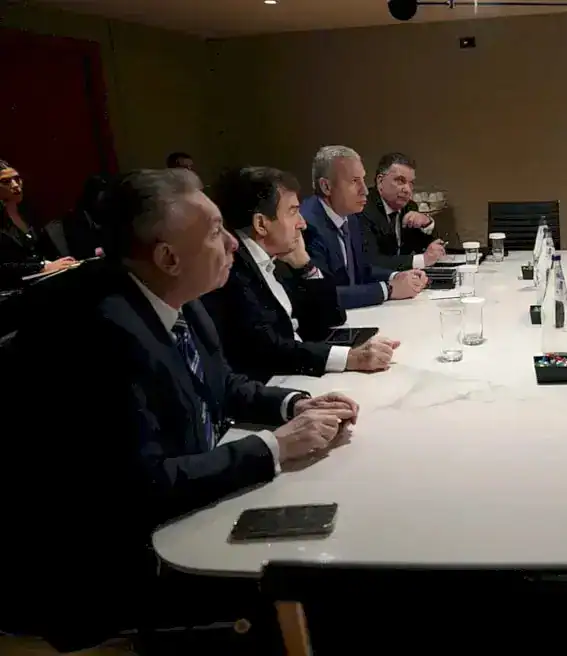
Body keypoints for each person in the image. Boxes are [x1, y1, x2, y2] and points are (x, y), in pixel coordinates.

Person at [0, 168, 361, 651]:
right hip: (114, 569)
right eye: (215, 233)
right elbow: (144, 486)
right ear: (168, 257)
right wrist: (274, 447)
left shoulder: (171, 292)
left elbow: (221, 383)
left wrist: (295, 403)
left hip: (180, 513)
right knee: (323, 586)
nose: (232, 244)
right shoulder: (99, 334)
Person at [203, 166, 399, 382]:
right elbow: (268, 351)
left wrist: (305, 266)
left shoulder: (280, 257)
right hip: (274, 385)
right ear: (261, 224)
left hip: (297, 373)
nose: (302, 223)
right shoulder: (232, 272)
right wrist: (351, 358)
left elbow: (332, 317)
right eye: (293, 211)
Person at [301, 145, 427, 309]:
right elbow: (323, 295)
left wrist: (396, 276)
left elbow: (361, 270)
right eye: (354, 181)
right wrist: (388, 290)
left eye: (363, 179)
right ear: (326, 187)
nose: (365, 191)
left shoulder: (350, 217)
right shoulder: (306, 225)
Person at [358, 152, 446, 270]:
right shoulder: (363, 208)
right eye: (400, 181)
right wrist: (422, 260)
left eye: (411, 183)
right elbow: (370, 262)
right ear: (380, 181)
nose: (407, 190)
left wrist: (427, 223)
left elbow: (432, 246)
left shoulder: (409, 207)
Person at [0, 159, 75, 288]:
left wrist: (61, 262)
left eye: (17, 179)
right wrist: (41, 267)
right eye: (6, 182)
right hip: (17, 289)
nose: (15, 185)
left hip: (46, 281)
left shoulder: (29, 213)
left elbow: (44, 249)